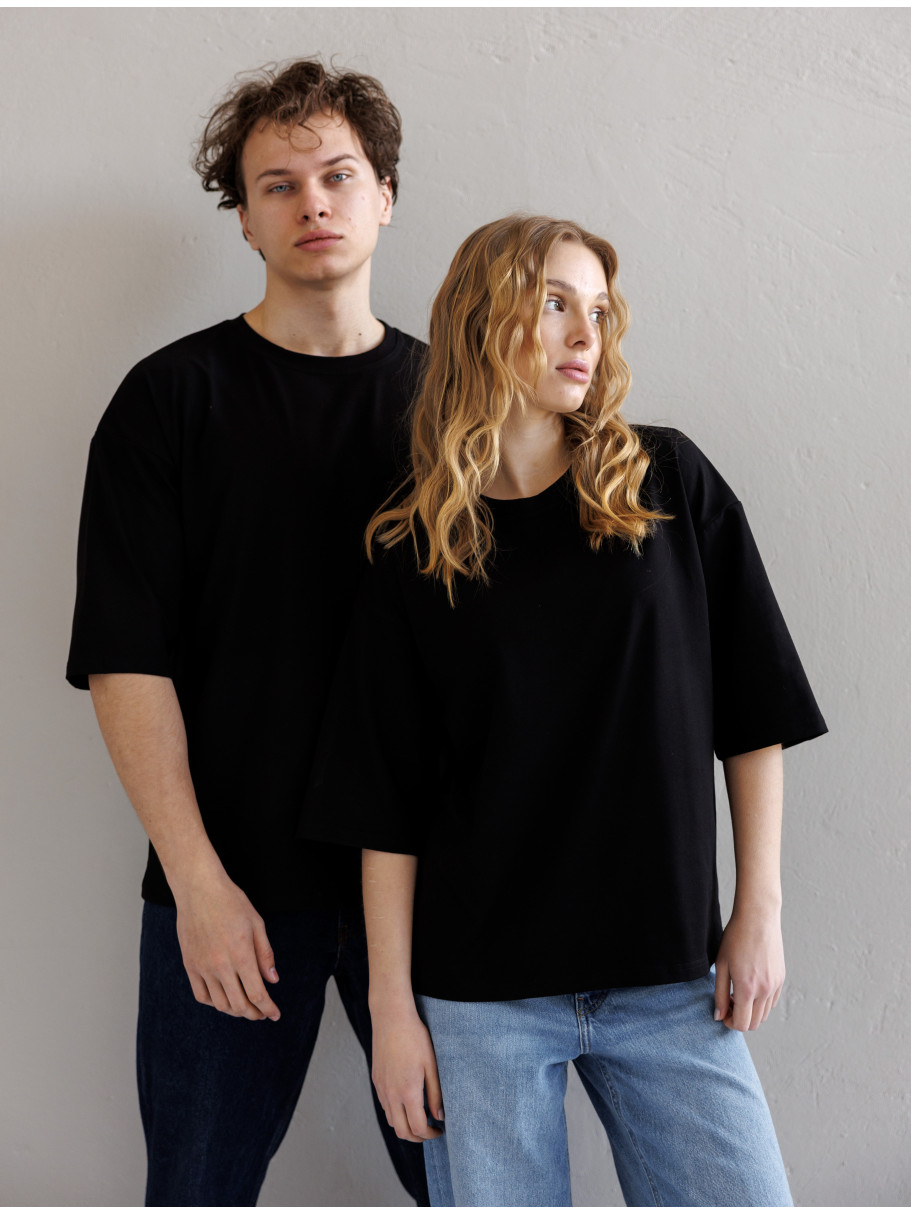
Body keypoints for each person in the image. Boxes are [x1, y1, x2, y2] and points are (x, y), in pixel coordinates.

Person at [298, 214, 828, 1206]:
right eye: (552, 304)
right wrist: (392, 1012)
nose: (585, 334)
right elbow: (384, 807)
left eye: (597, 310)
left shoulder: (666, 484)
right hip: (480, 997)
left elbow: (753, 714)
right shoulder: (414, 547)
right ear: (479, 320)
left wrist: (757, 911)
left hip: (670, 980)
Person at [66, 59, 428, 1206]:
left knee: (475, 1184)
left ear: (384, 196)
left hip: (431, 889)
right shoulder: (169, 401)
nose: (312, 202)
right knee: (197, 1190)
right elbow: (125, 659)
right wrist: (198, 883)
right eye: (278, 184)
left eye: (338, 176)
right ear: (243, 219)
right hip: (230, 883)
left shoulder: (456, 412)